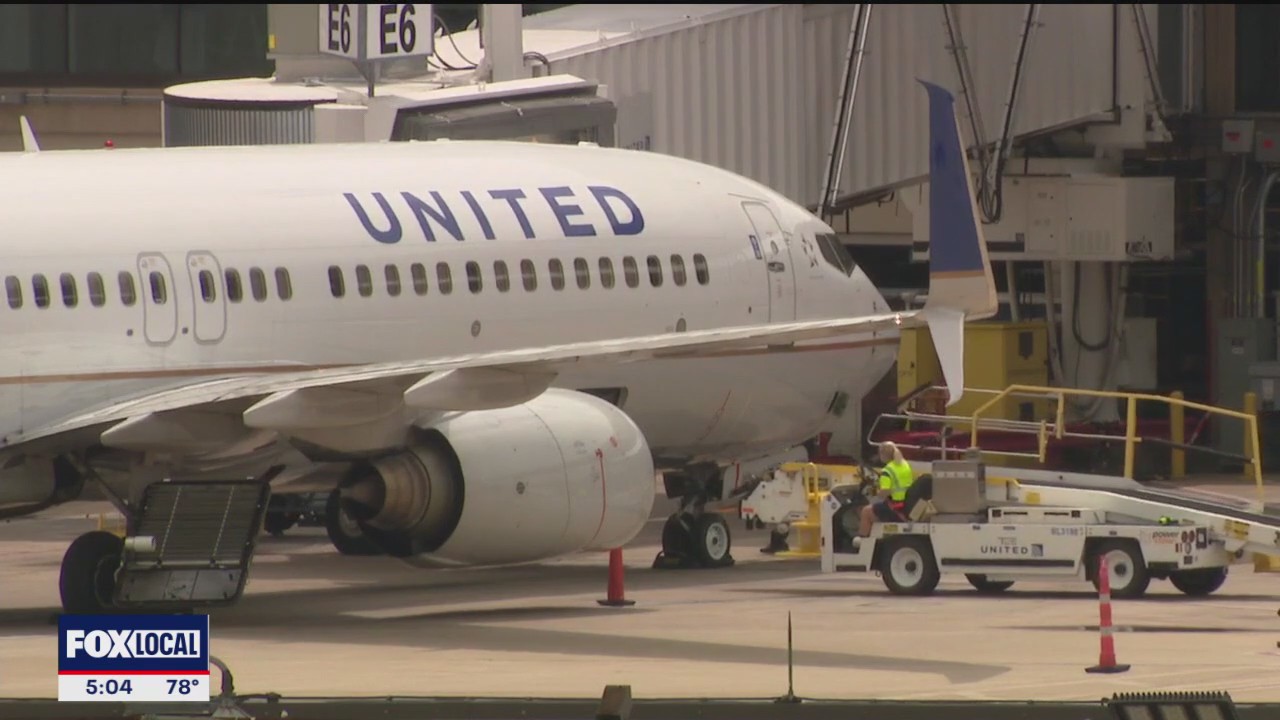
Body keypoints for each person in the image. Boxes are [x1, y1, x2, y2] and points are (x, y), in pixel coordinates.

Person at [857, 441, 915, 539]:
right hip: (906, 504)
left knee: (865, 511)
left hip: (895, 507)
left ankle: (862, 542)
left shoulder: (887, 471)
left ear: (883, 455)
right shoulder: (905, 465)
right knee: (876, 508)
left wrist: (876, 492)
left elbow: (885, 492)